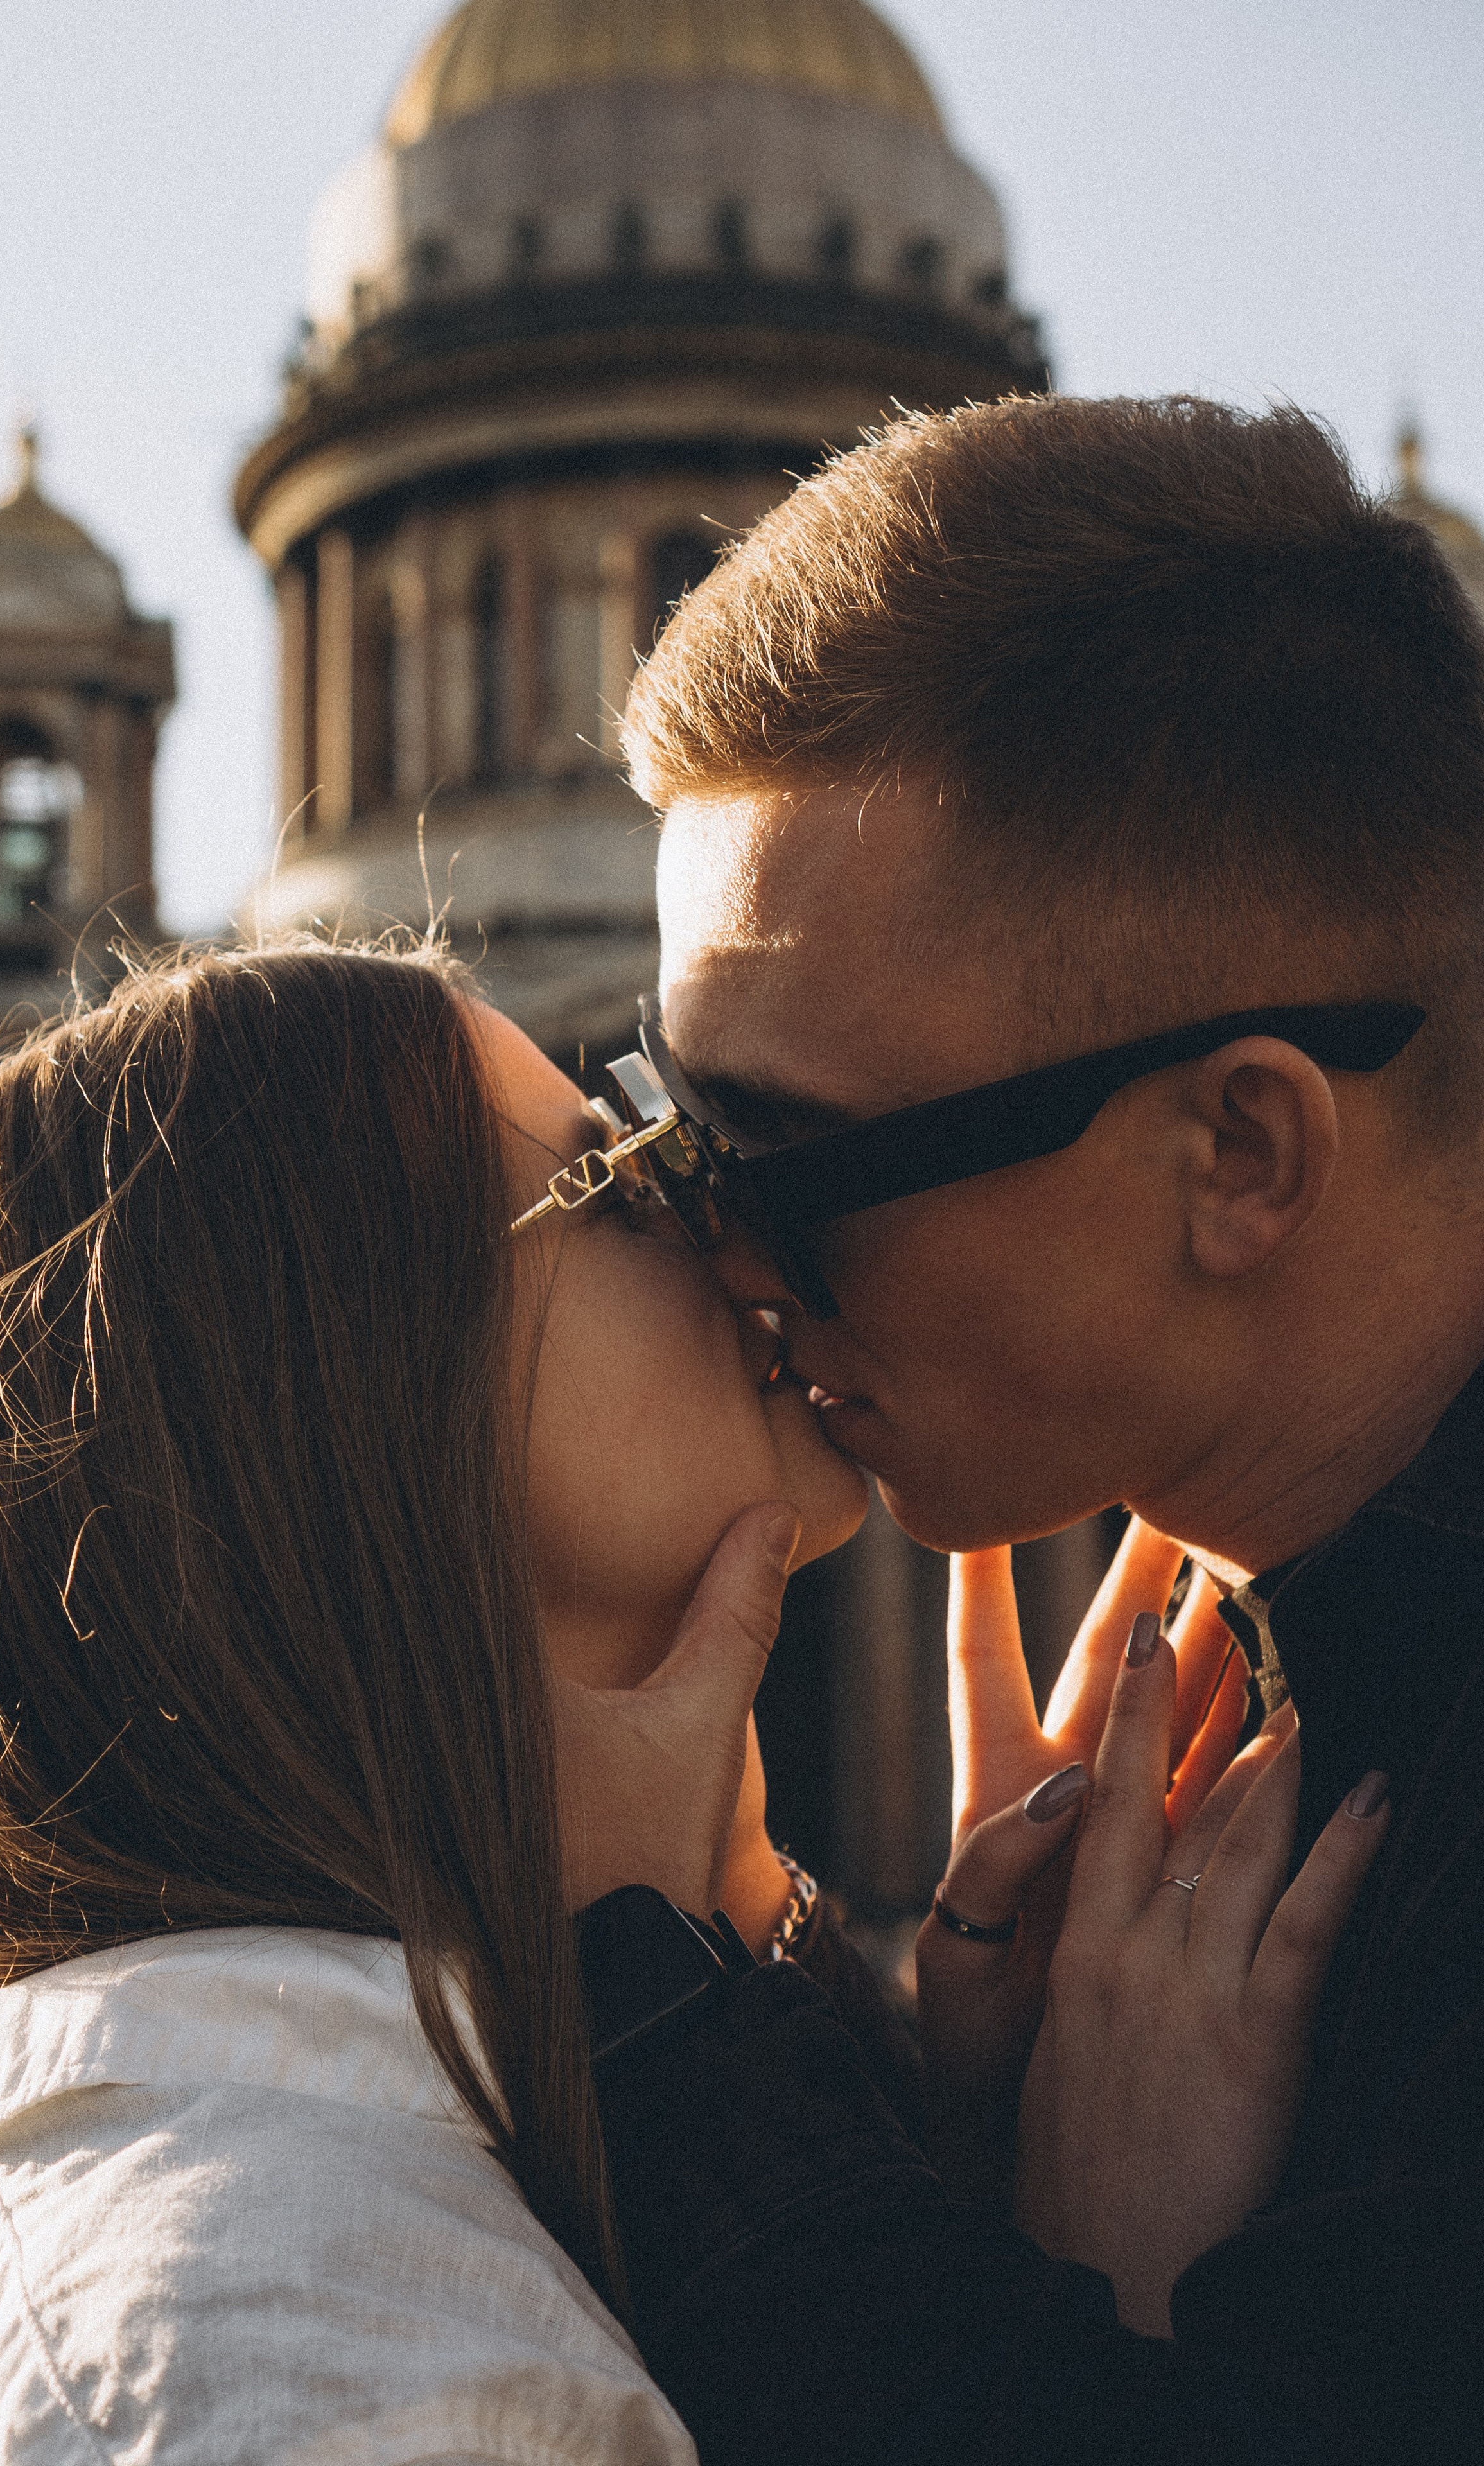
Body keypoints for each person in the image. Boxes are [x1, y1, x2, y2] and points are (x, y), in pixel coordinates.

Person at [0, 940, 1377, 2462]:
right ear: (350, 1390)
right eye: (619, 1169)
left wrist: (963, 2188)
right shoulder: (303, 2360)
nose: (741, 1232)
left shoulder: (395, 2227)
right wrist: (1125, 2318)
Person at [587, 391, 1484, 2461]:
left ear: (1241, 1152)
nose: (716, 1256)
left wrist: (668, 2008)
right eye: (660, 1122)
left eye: (778, 1157)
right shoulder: (1267, 1699)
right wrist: (987, 2175)